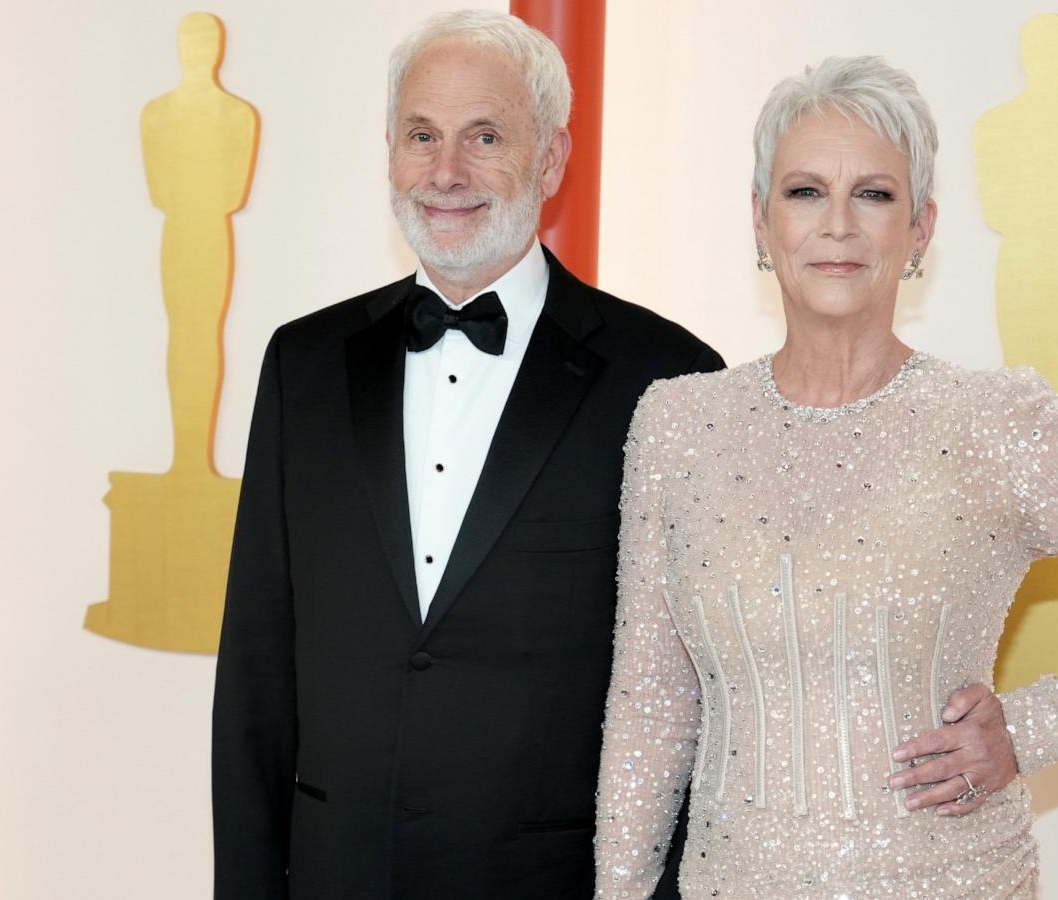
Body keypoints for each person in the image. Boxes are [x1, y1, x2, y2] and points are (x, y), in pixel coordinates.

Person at [592, 56, 1058, 898]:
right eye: (805, 192)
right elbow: (651, 706)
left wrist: (1027, 728)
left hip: (952, 880)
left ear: (920, 229)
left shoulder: (992, 422)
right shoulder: (678, 424)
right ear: (760, 224)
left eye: (873, 194)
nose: (837, 224)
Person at [211, 10, 722, 899]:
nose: (445, 172)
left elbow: (700, 708)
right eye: (422, 136)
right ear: (390, 152)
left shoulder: (669, 379)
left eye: (484, 136)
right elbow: (256, 674)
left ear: (552, 159)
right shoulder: (302, 365)